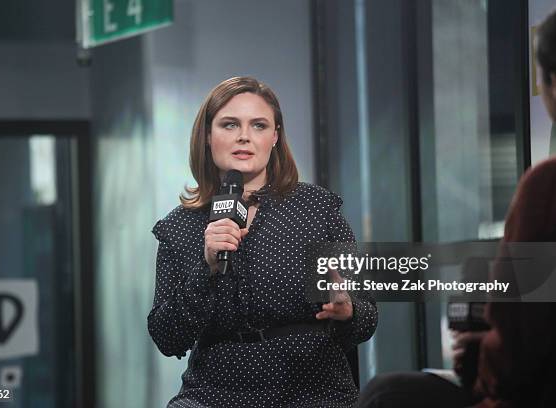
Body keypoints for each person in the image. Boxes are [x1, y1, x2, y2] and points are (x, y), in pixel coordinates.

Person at [356, 9, 556, 408]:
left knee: (386, 395)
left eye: (258, 125)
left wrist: (480, 358)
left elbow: (519, 350)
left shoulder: (546, 187)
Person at [146, 76, 378, 407]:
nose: (244, 136)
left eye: (258, 125)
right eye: (229, 124)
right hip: (214, 394)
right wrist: (206, 268)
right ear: (207, 137)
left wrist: (348, 311)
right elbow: (167, 337)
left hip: (312, 391)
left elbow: (367, 320)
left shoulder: (315, 209)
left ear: (274, 137)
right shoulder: (179, 227)